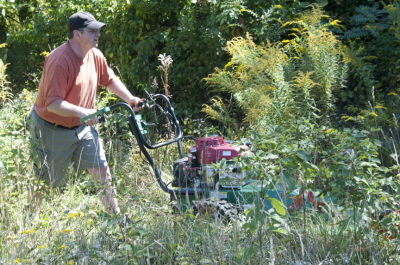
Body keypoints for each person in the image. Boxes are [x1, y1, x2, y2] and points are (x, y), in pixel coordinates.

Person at [28, 12, 143, 215]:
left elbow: (109, 80)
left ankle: (117, 219)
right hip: (51, 128)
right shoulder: (59, 60)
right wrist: (85, 112)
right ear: (77, 34)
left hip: (82, 127)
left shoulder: (94, 54)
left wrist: (130, 98)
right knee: (47, 182)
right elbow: (53, 104)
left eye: (98, 30)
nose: (98, 34)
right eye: (92, 31)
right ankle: (28, 220)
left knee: (101, 171)